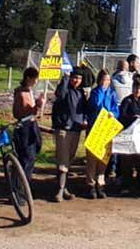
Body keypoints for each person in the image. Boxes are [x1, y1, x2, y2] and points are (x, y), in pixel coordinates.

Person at [51, 69, 88, 202]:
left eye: (79, 78)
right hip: (64, 129)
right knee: (62, 159)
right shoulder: (65, 89)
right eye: (74, 77)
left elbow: (84, 109)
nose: (76, 80)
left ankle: (64, 187)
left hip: (76, 129)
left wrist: (84, 119)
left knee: (70, 158)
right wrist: (65, 79)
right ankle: (60, 190)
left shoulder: (81, 93)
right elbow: (60, 95)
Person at [84, 69, 119, 198]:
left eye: (108, 80)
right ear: (99, 80)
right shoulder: (94, 92)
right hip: (95, 129)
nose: (106, 82)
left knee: (103, 159)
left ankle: (101, 184)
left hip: (106, 129)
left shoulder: (112, 94)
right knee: (92, 159)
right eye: (104, 79)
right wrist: (100, 91)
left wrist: (113, 114)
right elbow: (94, 106)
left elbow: (116, 110)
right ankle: (91, 185)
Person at [118, 75, 140, 196]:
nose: (138, 91)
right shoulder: (127, 101)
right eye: (136, 88)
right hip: (128, 136)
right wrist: (132, 118)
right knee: (127, 161)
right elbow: (122, 117)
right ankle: (125, 185)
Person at [11, 67, 45, 183]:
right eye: (35, 79)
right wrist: (36, 107)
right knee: (26, 157)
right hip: (24, 128)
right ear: (28, 78)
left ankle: (25, 184)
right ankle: (20, 186)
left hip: (31, 126)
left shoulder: (30, 91)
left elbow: (35, 113)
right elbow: (20, 113)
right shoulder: (21, 93)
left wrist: (39, 106)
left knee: (32, 155)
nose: (36, 82)